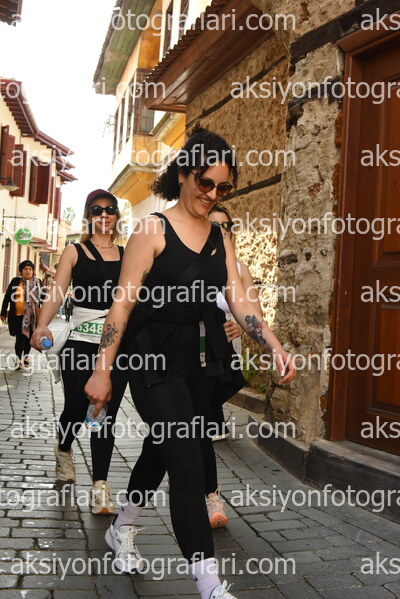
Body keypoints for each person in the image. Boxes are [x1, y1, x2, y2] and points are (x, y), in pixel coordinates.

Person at [84, 127, 296, 599]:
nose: (213, 194)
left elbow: (239, 299)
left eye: (223, 187)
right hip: (152, 361)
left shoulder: (221, 236)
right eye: (205, 183)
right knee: (187, 466)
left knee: (160, 450)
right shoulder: (151, 230)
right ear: (183, 174)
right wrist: (102, 370)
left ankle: (123, 526)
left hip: (199, 363)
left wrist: (274, 345)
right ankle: (210, 585)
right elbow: (122, 305)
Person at [31, 189, 128, 515]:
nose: (104, 215)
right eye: (96, 210)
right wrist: (42, 325)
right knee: (75, 407)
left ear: (116, 215)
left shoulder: (128, 254)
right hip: (80, 342)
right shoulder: (75, 251)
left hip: (115, 346)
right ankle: (64, 448)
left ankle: (100, 487)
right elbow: (57, 293)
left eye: (109, 209)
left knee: (105, 414)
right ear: (88, 216)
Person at [204, 203, 263, 530]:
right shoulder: (191, 263)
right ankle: (209, 494)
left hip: (224, 351)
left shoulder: (239, 268)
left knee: (200, 420)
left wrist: (240, 326)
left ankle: (207, 493)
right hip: (191, 354)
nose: (220, 231)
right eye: (214, 225)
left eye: (225, 226)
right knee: (197, 423)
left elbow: (255, 312)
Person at [1, 260, 41, 370]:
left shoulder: (37, 283)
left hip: (32, 317)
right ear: (21, 271)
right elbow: (7, 297)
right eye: (25, 269)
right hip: (18, 316)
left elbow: (42, 299)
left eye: (30, 269)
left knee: (29, 337)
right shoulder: (15, 282)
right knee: (20, 338)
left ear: (33, 271)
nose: (28, 271)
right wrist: (3, 312)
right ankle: (18, 359)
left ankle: (26, 357)